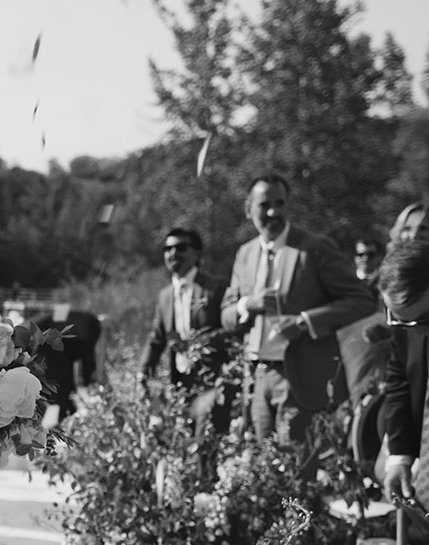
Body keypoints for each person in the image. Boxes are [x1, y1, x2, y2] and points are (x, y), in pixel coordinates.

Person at [220, 174, 375, 446]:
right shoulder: (244, 254)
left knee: (297, 473)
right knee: (263, 469)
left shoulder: (314, 248)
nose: (273, 212)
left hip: (300, 376)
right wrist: (248, 305)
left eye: (280, 203)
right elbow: (226, 315)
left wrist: (305, 322)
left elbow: (362, 299)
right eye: (264, 205)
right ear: (248, 209)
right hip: (257, 377)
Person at [140, 228, 232, 437]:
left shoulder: (215, 287)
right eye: (168, 248)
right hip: (181, 383)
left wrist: (198, 345)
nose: (173, 253)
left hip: (213, 379)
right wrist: (142, 374)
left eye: (180, 247)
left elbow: (230, 331)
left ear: (197, 253)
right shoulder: (164, 296)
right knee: (184, 440)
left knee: (207, 441)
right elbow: (156, 339)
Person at [379, 238, 429, 507]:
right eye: (395, 317)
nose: (404, 327)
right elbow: (398, 383)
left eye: (418, 320)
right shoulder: (404, 324)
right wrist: (400, 457)